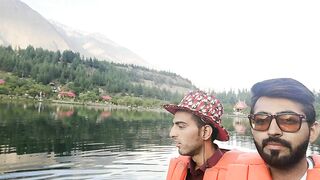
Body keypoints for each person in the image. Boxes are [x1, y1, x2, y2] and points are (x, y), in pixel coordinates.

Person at [226, 78, 320, 180]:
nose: (273, 131)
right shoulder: (236, 176)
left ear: (312, 132)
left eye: (288, 121)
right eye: (261, 121)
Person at [164, 90, 241, 180]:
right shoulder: (183, 169)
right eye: (173, 125)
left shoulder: (235, 175)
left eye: (181, 126)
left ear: (205, 132)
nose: (171, 134)